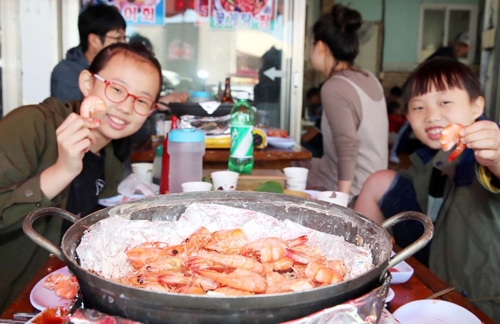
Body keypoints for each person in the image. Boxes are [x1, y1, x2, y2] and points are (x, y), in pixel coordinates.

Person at [0, 42, 162, 312]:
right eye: (117, 89)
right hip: (12, 299)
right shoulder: (30, 125)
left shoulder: (109, 161)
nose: (125, 107)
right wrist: (63, 170)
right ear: (88, 83)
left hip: (61, 297)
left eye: (142, 100)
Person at [354, 58, 500, 322]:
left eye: (444, 102)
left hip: (480, 295)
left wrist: (496, 156)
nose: (431, 115)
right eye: (419, 106)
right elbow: (390, 188)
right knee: (379, 180)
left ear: (477, 106)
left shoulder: (485, 153)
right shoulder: (429, 159)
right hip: (437, 251)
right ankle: (359, 272)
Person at [305, 4, 388, 196]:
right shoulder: (368, 77)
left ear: (321, 47)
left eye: (311, 44)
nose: (310, 50)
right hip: (375, 184)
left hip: (355, 190)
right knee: (297, 164)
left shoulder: (333, 87)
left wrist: (342, 202)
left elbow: (347, 145)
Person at [50, 4, 186, 107]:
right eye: (117, 38)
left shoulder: (116, 67)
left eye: (124, 38)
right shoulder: (65, 73)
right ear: (94, 41)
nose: (122, 44)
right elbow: (96, 112)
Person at [301, 87, 323, 158]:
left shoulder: (326, 115)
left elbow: (305, 138)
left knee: (298, 144)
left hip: (319, 153)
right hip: (322, 150)